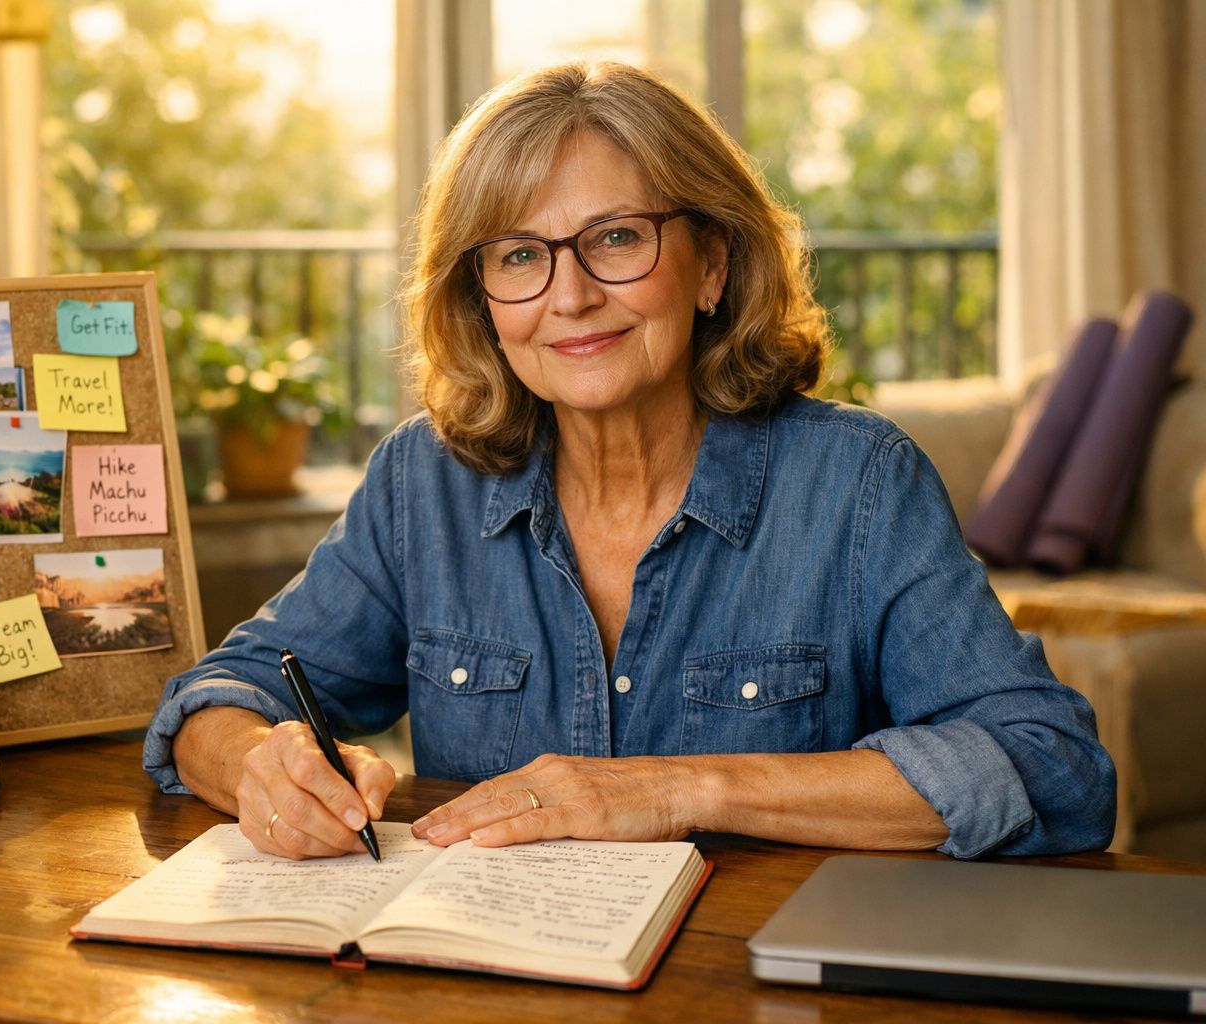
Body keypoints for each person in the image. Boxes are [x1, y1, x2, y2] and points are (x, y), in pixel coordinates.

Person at [144, 61, 1116, 862]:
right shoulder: (424, 485)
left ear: (713, 264)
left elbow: (1053, 767)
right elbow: (217, 697)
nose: (569, 296)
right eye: (519, 255)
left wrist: (681, 788)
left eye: (616, 238)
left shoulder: (857, 485)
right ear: (481, 297)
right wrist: (260, 763)